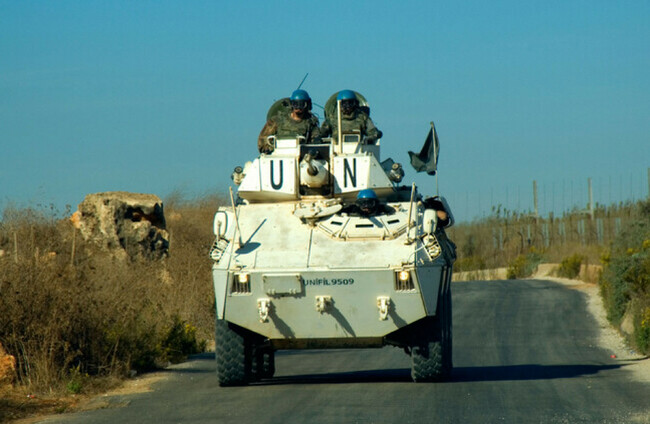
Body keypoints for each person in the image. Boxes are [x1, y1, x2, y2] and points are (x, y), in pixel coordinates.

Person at [257, 89, 321, 154]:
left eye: (302, 104)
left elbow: (316, 141)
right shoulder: (277, 120)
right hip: (277, 155)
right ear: (291, 104)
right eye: (296, 104)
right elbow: (263, 139)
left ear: (307, 105)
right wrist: (268, 150)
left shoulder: (310, 123)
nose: (298, 108)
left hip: (300, 156)